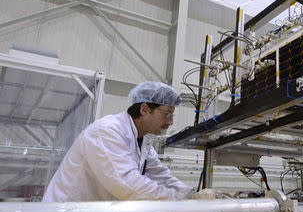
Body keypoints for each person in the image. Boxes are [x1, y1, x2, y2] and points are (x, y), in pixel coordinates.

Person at [43, 81, 215, 202]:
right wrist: (181, 199)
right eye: (167, 114)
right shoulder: (107, 131)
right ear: (144, 109)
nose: (170, 122)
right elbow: (126, 184)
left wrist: (192, 193)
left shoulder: (143, 140)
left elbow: (161, 176)